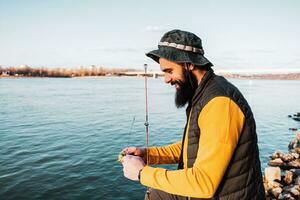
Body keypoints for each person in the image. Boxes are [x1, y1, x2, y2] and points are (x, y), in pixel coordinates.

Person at [121, 29, 265, 200]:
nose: (166, 79)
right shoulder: (203, 93)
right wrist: (148, 154)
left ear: (189, 64)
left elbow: (204, 183)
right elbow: (193, 144)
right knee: (156, 195)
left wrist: (142, 173)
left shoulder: (219, 103)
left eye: (169, 71)